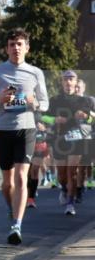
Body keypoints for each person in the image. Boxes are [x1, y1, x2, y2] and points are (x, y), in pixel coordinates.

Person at [0, 28, 49, 242]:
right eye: (12, 44)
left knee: (21, 176)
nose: (16, 48)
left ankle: (17, 225)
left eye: (20, 44)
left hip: (26, 128)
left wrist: (35, 103)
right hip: (2, 129)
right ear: (7, 48)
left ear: (27, 48)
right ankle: (12, 207)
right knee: (7, 184)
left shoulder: (35, 73)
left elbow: (45, 103)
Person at [44, 70, 91, 216]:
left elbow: (92, 119)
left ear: (76, 82)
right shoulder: (55, 100)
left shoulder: (84, 101)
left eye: (71, 79)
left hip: (76, 138)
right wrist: (54, 120)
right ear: (62, 82)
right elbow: (43, 117)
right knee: (62, 175)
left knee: (73, 172)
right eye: (66, 79)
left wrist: (86, 116)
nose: (68, 82)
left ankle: (70, 203)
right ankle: (64, 188)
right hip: (59, 139)